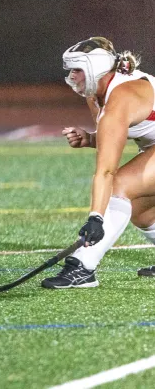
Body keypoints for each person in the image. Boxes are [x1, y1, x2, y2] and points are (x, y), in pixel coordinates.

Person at [41, 36, 155, 289]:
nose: (72, 76)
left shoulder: (120, 97)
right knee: (141, 211)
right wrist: (91, 139)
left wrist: (96, 218)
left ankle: (83, 267)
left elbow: (106, 171)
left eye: (77, 70)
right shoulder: (96, 94)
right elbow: (112, 138)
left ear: (95, 69)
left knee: (121, 185)